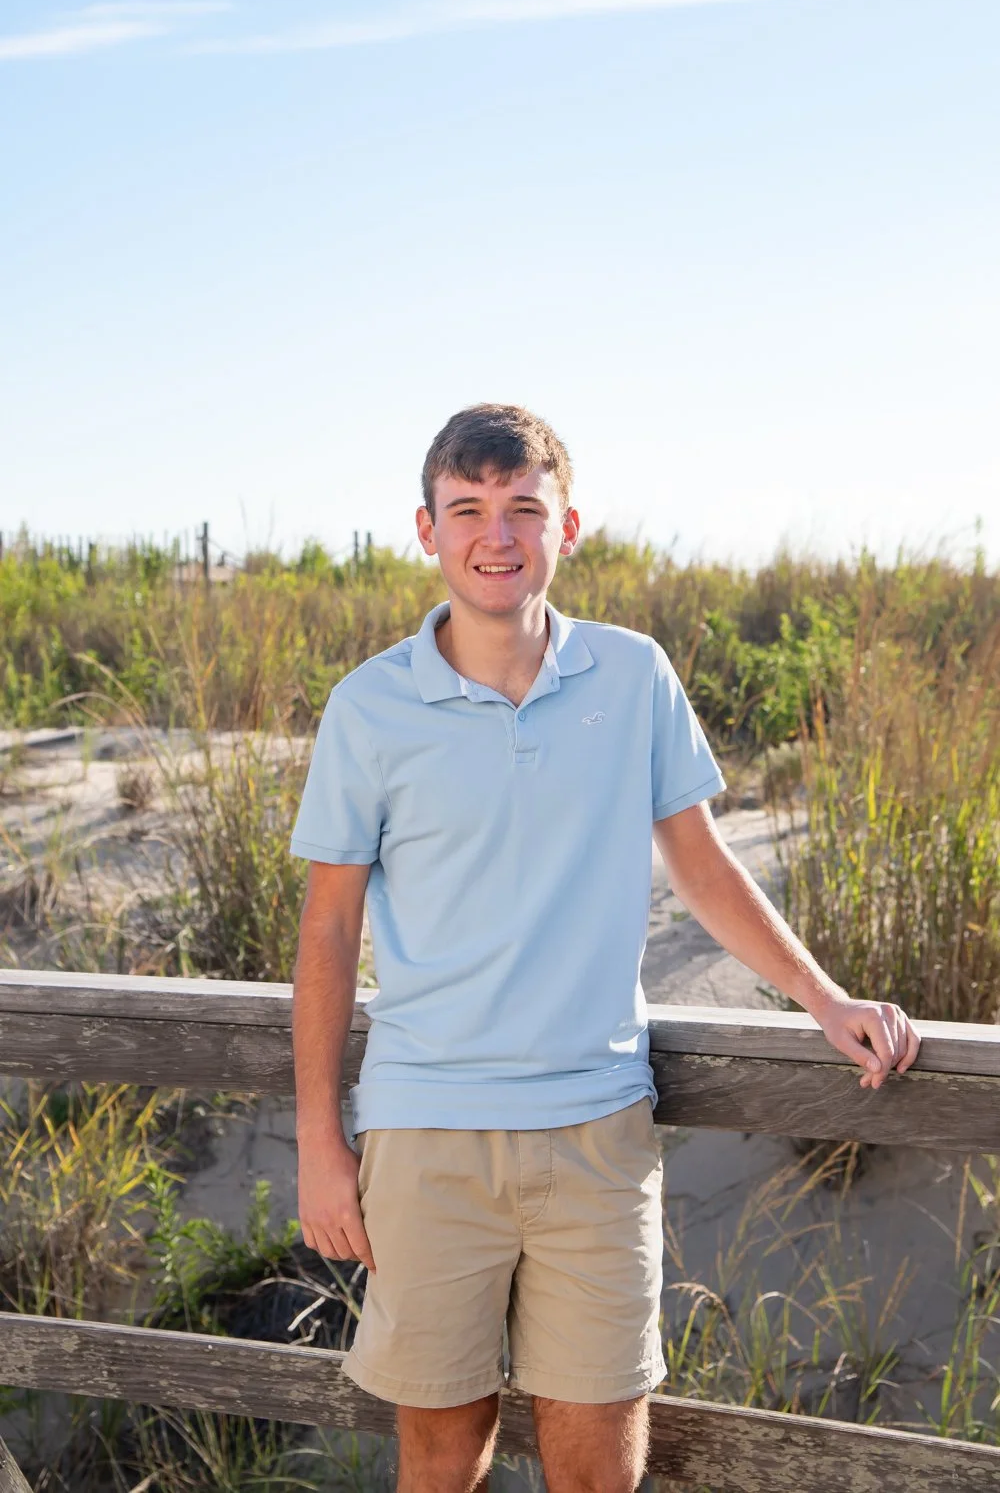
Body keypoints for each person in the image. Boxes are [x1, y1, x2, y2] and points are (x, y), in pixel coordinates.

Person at [289, 403, 921, 1493]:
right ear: (426, 529)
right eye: (469, 510)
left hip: (596, 1131)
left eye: (523, 509)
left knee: (599, 1464)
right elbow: (328, 931)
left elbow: (704, 866)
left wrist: (822, 1000)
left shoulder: (632, 678)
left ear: (565, 526)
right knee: (442, 1454)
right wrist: (317, 1143)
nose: (498, 534)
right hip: (427, 1133)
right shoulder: (369, 708)